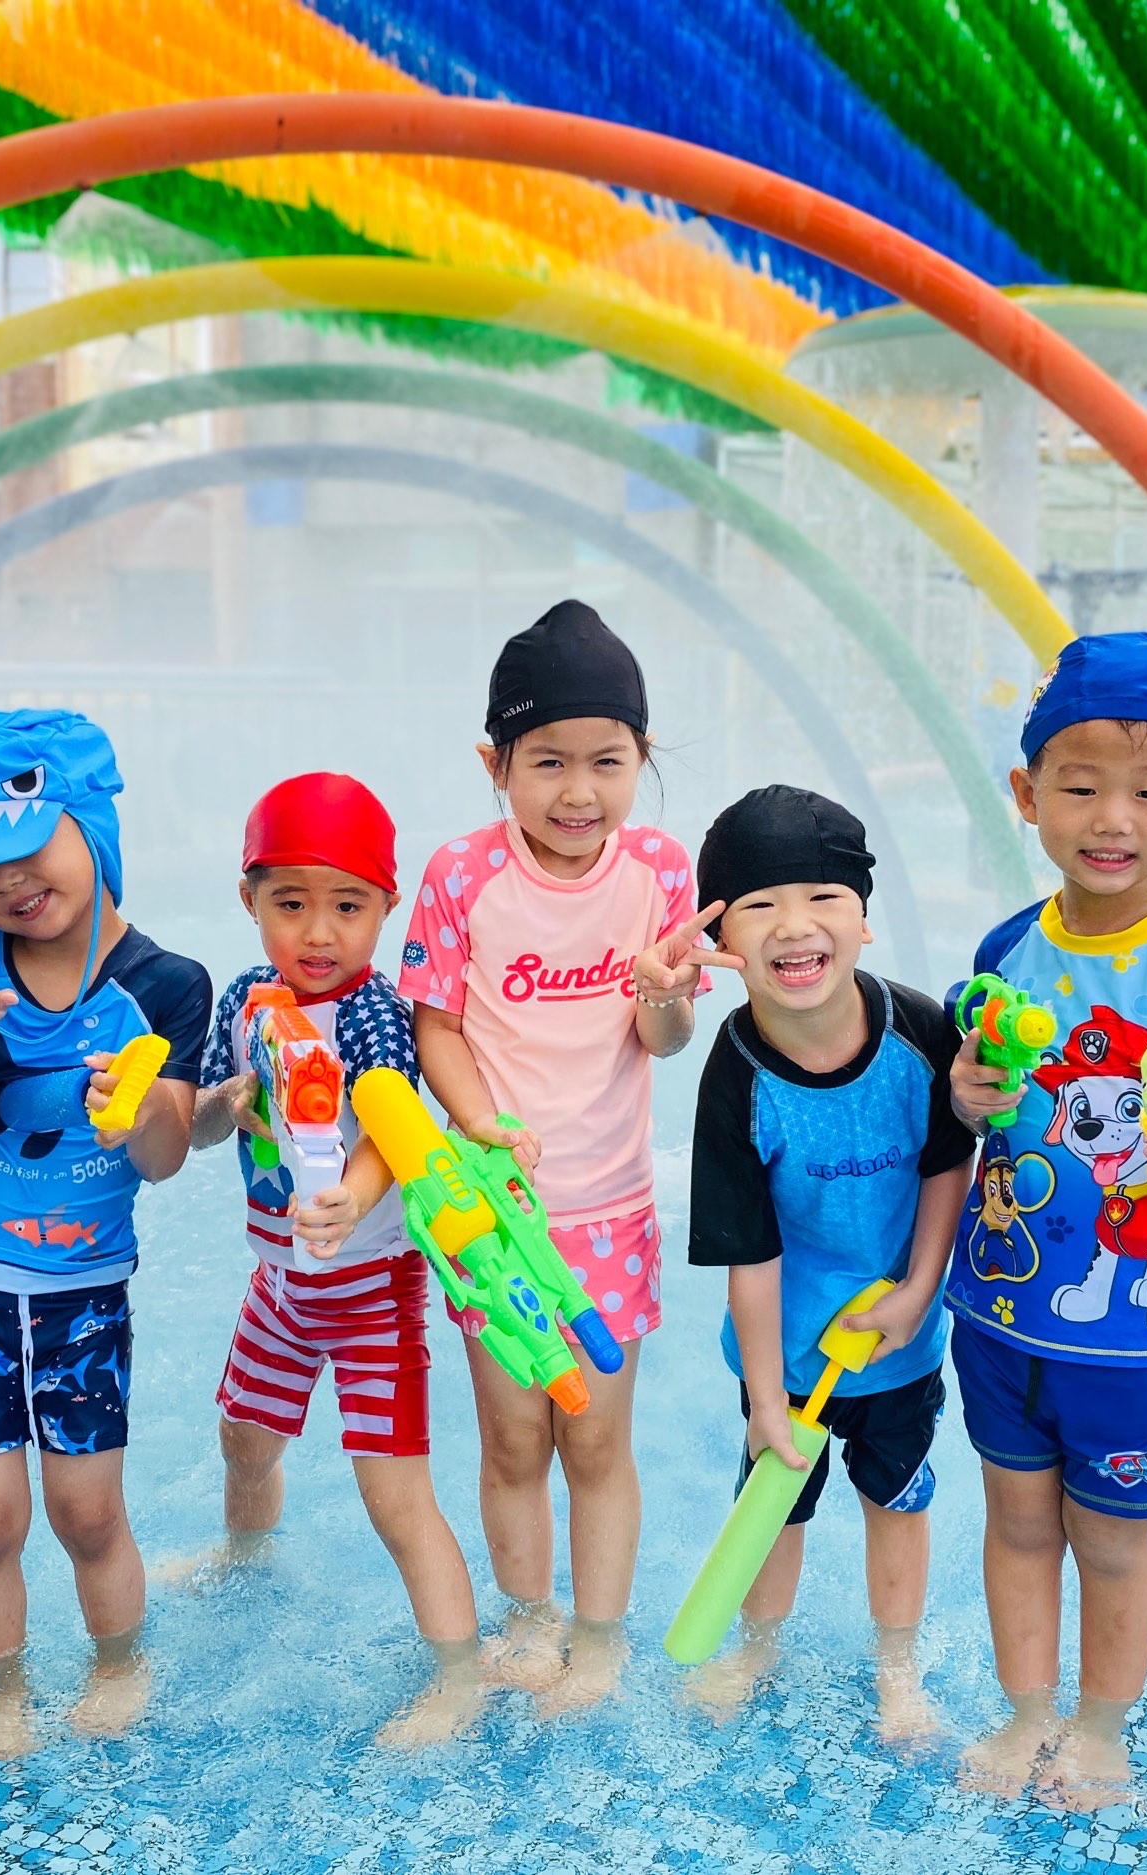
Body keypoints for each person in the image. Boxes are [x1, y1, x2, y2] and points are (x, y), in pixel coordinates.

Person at [942, 632, 1147, 1809]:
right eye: (1079, 788)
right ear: (1028, 792)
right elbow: (977, 1105)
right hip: (998, 1312)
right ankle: (1025, 1713)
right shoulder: (1005, 951)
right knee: (1015, 1524)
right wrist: (965, 1092)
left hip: (1134, 1334)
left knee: (1116, 1539)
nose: (1111, 819)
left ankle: (1097, 1730)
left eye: (1146, 791)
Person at [396, 599, 715, 1714]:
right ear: (496, 764)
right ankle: (530, 1619)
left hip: (608, 1209)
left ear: (642, 756)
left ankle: (599, 1633)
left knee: (596, 1439)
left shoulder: (658, 870)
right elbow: (435, 1024)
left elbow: (663, 1039)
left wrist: (662, 995)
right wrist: (478, 1120)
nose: (579, 791)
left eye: (607, 761)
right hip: (490, 1217)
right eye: (548, 762)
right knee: (511, 1438)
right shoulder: (461, 875)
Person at [0, 708, 212, 1758]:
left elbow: (164, 1158)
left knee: (86, 1513)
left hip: (81, 1290)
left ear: (90, 824)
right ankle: (3, 1691)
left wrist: (142, 1106)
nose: (8, 884)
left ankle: (119, 1664)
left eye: (28, 848)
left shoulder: (166, 986)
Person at [172, 771, 484, 1747]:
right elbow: (203, 1128)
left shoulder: (376, 1014)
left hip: (370, 1288)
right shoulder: (243, 999)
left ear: (386, 907)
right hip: (279, 1282)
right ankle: (246, 1552)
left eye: (347, 906)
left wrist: (352, 1191)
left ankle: (459, 1674)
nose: (318, 932)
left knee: (393, 1493)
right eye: (290, 904)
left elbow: (394, 1123)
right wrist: (230, 1103)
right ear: (249, 899)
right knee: (243, 1438)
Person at [680, 786, 974, 1741]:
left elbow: (948, 1165)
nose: (794, 925)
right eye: (760, 905)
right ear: (721, 937)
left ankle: (897, 1667)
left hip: (897, 1340)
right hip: (789, 1350)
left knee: (897, 1501)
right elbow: (750, 1254)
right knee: (775, 1506)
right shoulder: (735, 1074)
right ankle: (756, 1649)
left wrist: (919, 1292)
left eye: (822, 898)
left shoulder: (918, 1032)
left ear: (863, 919)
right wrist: (766, 1399)